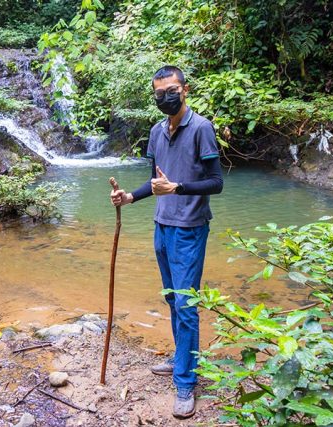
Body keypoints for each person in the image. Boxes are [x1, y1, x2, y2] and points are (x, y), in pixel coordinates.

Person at [110, 65, 224, 419]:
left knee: (187, 306)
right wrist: (130, 197)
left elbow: (216, 183)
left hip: (190, 227)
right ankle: (181, 359)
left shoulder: (201, 128)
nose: (166, 97)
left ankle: (186, 383)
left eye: (172, 90)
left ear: (185, 90)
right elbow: (154, 181)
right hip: (162, 225)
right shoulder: (156, 131)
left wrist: (179, 187)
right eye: (159, 93)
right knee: (173, 299)